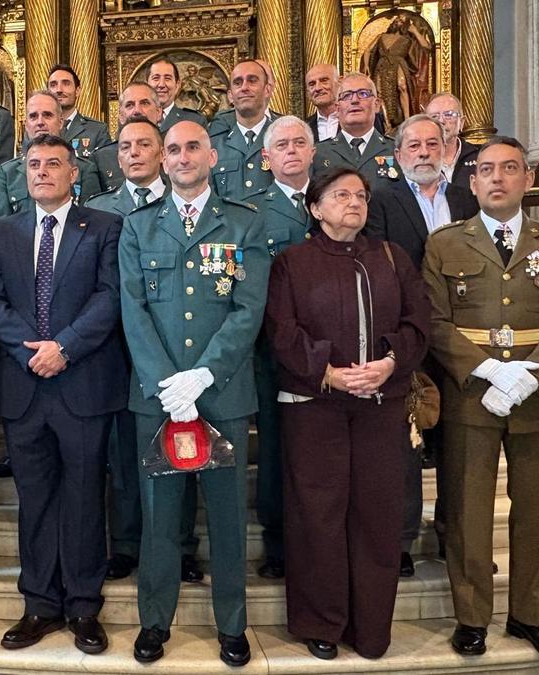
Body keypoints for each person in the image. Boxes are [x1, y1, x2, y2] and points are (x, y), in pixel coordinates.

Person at [423, 137, 539, 663]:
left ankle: (529, 615)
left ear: (528, 179)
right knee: (468, 513)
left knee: (537, 513)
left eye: (509, 169)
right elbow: (436, 321)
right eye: (486, 170)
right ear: (472, 184)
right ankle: (472, 618)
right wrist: (489, 369)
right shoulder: (445, 244)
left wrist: (529, 373)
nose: (497, 178)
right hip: (473, 395)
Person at [265, 166, 429, 660]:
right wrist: (329, 372)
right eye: (340, 195)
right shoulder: (291, 262)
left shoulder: (391, 257)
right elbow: (281, 331)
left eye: (360, 195)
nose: (353, 203)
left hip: (382, 405)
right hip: (316, 408)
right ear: (315, 208)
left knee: (376, 515)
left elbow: (418, 320)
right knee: (318, 515)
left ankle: (371, 626)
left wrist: (391, 362)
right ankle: (322, 623)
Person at [120, 120, 268, 667]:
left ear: (212, 155)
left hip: (222, 393)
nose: (182, 157)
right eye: (173, 149)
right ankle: (154, 621)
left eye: (192, 148)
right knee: (159, 518)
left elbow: (248, 308)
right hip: (157, 398)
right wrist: (167, 383)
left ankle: (232, 624)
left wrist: (202, 376)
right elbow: (132, 310)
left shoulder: (243, 224)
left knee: (227, 519)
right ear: (162, 159)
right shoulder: (138, 227)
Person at [0, 134, 125, 655]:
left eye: (53, 164)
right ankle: (40, 603)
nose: (42, 171)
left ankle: (84, 605)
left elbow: (110, 298)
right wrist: (30, 352)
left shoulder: (105, 227)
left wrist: (64, 347)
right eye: (34, 164)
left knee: (85, 498)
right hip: (24, 387)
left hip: (82, 383)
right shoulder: (2, 232)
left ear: (74, 174)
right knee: (34, 501)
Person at [364, 113, 479, 576]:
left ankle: (458, 536)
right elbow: (378, 268)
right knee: (404, 445)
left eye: (432, 144)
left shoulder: (466, 200)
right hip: (409, 335)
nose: (424, 153)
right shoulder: (382, 202)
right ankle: (401, 541)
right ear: (398, 155)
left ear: (447, 148)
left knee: (462, 442)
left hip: (464, 339)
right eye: (413, 146)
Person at [84, 114, 167, 581]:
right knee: (123, 450)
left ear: (160, 152)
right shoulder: (99, 210)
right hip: (112, 348)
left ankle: (181, 544)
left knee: (176, 444)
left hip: (171, 344)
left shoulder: (182, 205)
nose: (133, 153)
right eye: (125, 147)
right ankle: (129, 542)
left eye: (142, 145)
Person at [244, 115, 318, 580]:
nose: (292, 150)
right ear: (266, 158)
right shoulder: (252, 212)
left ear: (313, 151)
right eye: (282, 145)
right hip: (273, 350)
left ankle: (320, 538)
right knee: (275, 448)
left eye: (299, 142)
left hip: (331, 349)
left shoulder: (335, 199)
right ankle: (278, 545)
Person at [0, 91, 102, 227]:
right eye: (33, 116)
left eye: (47, 115)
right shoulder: (8, 173)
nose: (40, 122)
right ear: (26, 125)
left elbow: (93, 226)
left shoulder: (85, 169)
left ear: (60, 122)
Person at [314, 73, 399, 188]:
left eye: (363, 94)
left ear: (377, 105)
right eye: (346, 95)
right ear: (337, 109)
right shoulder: (318, 154)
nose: (354, 100)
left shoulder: (397, 151)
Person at [210, 60, 275, 200]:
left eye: (252, 81)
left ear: (267, 90)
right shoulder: (213, 145)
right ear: (230, 95)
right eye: (238, 83)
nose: (244, 87)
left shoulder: (284, 139)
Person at [91, 82, 164, 193]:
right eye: (130, 105)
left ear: (159, 112)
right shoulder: (101, 159)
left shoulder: (176, 151)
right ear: (120, 115)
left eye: (144, 103)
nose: (137, 111)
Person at [47, 64, 111, 160]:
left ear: (77, 91)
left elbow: (105, 169)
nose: (59, 90)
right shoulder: (39, 128)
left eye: (66, 83)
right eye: (53, 85)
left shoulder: (97, 131)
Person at [424, 92, 479, 189]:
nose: (441, 121)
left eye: (449, 114)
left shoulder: (480, 156)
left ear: (461, 122)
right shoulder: (418, 159)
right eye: (434, 117)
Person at [149, 58, 206, 135]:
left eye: (167, 78)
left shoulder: (195, 120)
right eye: (156, 78)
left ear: (177, 85)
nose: (161, 84)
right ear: (147, 84)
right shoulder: (136, 118)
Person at [304, 64, 341, 142]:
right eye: (312, 84)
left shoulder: (357, 120)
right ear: (307, 93)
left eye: (324, 80)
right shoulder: (302, 128)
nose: (318, 88)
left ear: (339, 83)